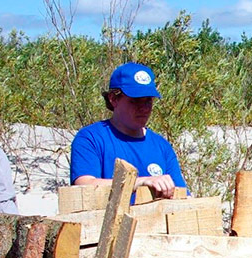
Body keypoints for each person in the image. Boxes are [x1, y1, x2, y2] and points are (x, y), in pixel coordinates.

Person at [70, 62, 187, 199]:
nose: (144, 108)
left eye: (148, 101)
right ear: (113, 99)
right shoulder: (91, 138)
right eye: (135, 101)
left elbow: (182, 195)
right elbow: (84, 185)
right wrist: (139, 182)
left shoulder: (161, 146)